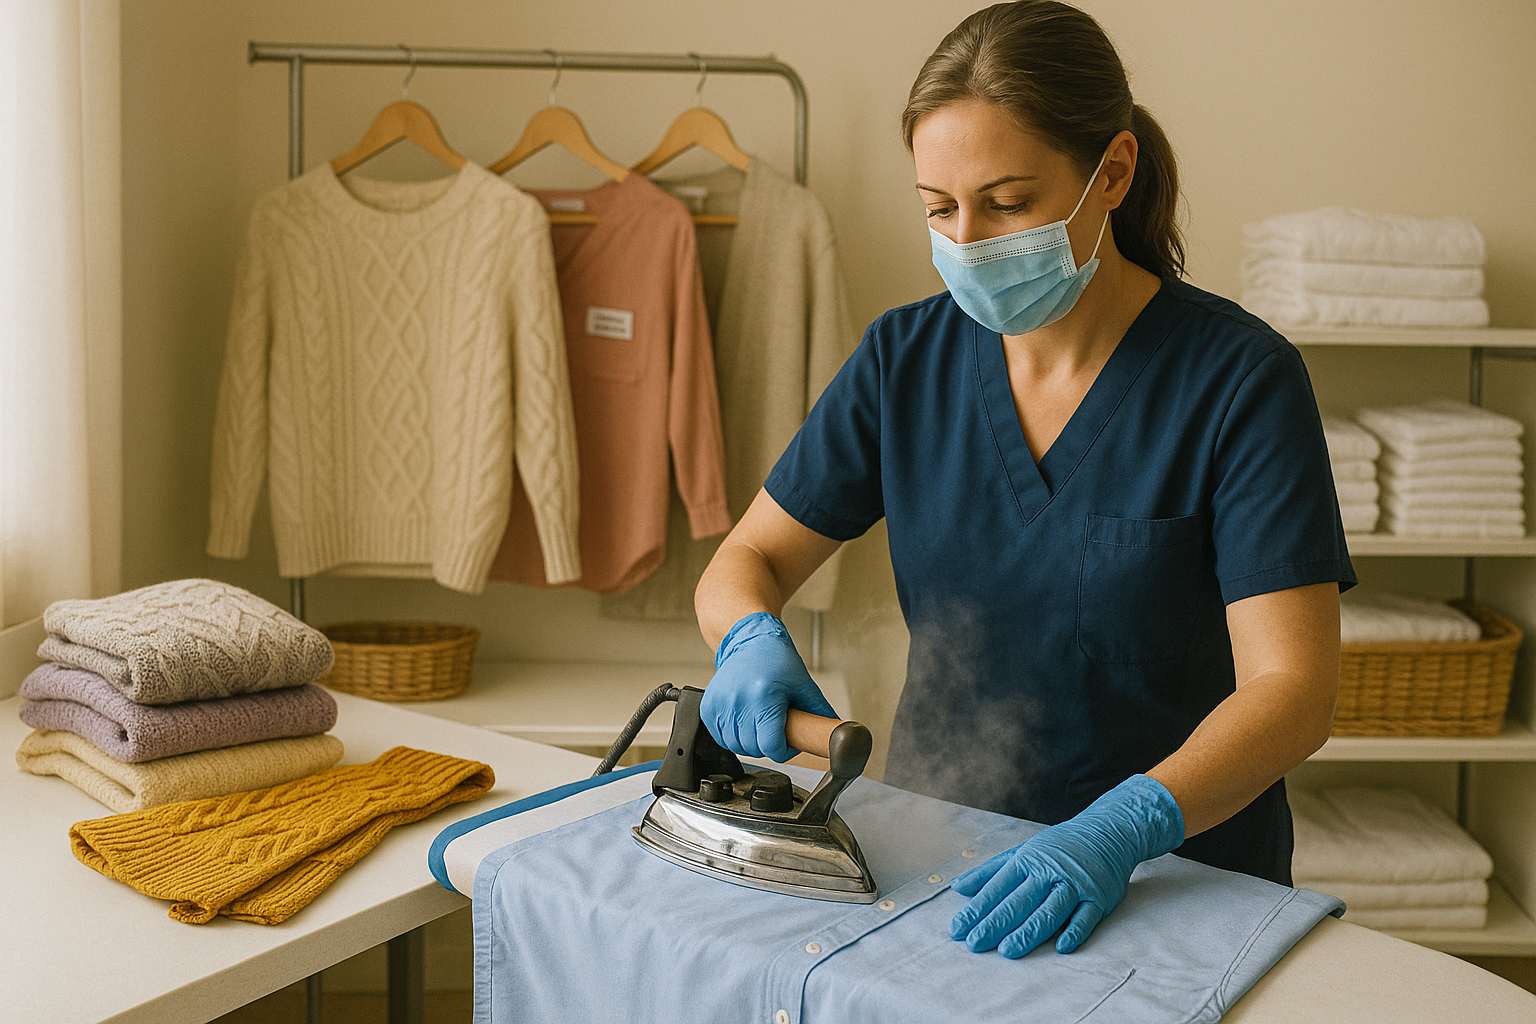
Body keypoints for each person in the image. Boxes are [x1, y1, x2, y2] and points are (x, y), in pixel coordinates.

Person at [695, 0, 1353, 960]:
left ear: (1112, 173)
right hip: (937, 865)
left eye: (1007, 204)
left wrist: (1124, 826)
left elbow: (1293, 690)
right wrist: (746, 636)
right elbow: (747, 556)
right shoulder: (903, 361)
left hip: (1180, 884)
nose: (968, 240)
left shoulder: (1239, 382)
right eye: (939, 208)